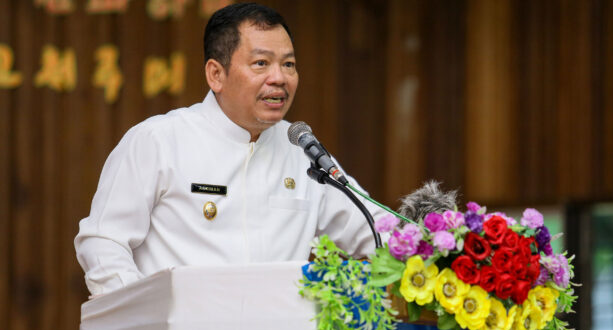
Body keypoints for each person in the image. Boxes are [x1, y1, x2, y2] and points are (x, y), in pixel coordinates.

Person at [75, 3, 383, 297]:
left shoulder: (301, 150)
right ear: (216, 75)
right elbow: (104, 241)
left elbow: (376, 230)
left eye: (288, 64)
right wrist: (139, 313)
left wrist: (425, 243)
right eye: (261, 63)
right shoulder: (159, 140)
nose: (279, 78)